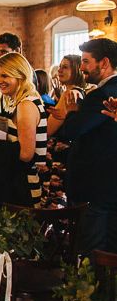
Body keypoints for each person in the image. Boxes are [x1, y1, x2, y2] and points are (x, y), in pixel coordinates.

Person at [50, 39, 117, 252]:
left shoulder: (101, 94)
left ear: (104, 63)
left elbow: (72, 131)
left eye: (86, 62)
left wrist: (71, 112)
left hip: (97, 184)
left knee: (94, 248)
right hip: (107, 183)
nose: (82, 68)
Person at [0, 53, 47, 207]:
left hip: (23, 187)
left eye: (5, 76)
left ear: (20, 76)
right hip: (14, 183)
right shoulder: (19, 102)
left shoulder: (26, 105)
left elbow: (26, 154)